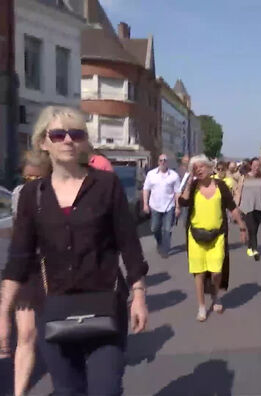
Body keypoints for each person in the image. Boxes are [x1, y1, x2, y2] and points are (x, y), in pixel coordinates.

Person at [0, 105, 148, 395]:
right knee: (68, 391)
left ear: (83, 141)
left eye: (75, 134)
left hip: (105, 305)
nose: (68, 140)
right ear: (44, 142)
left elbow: (129, 245)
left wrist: (139, 295)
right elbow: (18, 259)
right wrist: (4, 314)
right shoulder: (33, 195)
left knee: (105, 389)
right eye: (58, 134)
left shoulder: (106, 185)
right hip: (55, 310)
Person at [178, 155, 247, 322]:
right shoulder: (193, 186)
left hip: (217, 236)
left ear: (211, 168)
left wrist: (242, 226)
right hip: (195, 236)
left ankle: (215, 295)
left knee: (216, 272)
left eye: (202, 166)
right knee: (199, 273)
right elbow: (183, 202)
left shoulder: (221, 186)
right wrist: (188, 181)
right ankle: (201, 307)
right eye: (195, 168)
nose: (199, 170)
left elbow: (232, 207)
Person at [7, 151, 50, 396]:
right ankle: (19, 392)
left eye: (37, 178)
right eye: (27, 178)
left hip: (55, 269)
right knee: (25, 334)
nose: (31, 183)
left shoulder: (58, 194)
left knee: (57, 331)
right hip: (29, 269)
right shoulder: (18, 194)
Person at [143, 154, 181, 258]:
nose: (163, 162)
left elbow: (177, 192)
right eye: (161, 160)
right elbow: (146, 189)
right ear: (158, 162)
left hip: (169, 206)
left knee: (167, 229)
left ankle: (165, 249)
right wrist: (145, 204)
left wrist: (178, 207)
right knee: (154, 228)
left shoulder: (174, 175)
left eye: (164, 160)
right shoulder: (151, 174)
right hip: (155, 206)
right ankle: (159, 242)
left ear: (167, 162)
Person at [236, 158, 261, 260]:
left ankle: (250, 246)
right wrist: (236, 205)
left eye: (258, 165)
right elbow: (239, 191)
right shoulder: (244, 177)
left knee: (255, 228)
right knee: (251, 227)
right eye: (254, 165)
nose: (256, 167)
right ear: (251, 166)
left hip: (259, 205)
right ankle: (255, 250)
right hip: (247, 206)